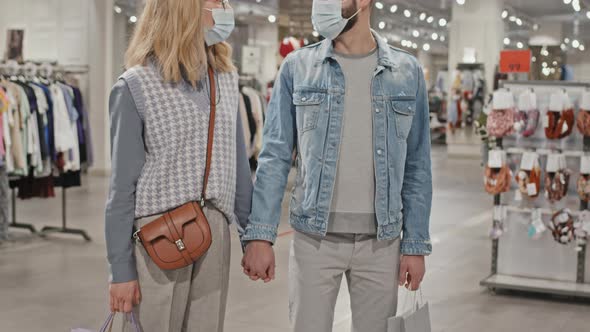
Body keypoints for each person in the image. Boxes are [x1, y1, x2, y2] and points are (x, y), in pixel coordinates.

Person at [241, 0, 432, 331]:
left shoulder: (407, 72)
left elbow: (417, 165)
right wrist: (260, 236)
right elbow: (275, 155)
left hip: (381, 243)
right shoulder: (297, 67)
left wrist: (414, 244)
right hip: (314, 241)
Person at [104, 0, 252, 331]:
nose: (224, 8)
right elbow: (121, 189)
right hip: (158, 236)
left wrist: (252, 237)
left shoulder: (225, 80)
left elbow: (238, 168)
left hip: (214, 232)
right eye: (216, 2)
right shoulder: (134, 86)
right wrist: (120, 270)